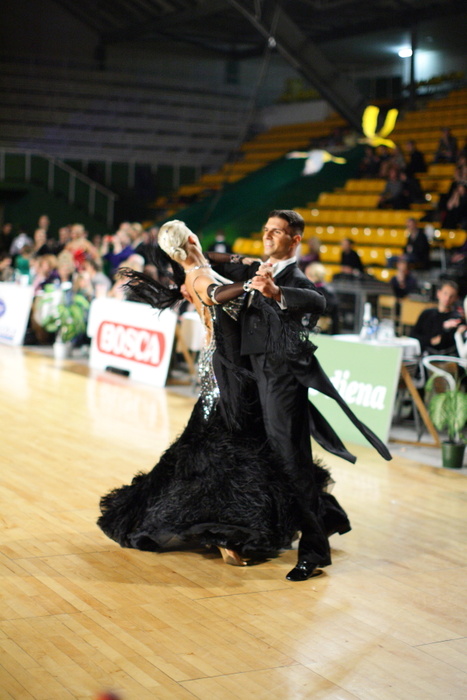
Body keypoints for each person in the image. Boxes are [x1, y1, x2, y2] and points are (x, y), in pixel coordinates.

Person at [98, 220, 314, 570]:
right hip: (225, 369)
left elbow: (211, 257)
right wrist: (250, 283)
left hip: (232, 364)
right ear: (192, 238)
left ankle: (237, 527)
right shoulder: (198, 277)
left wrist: (242, 260)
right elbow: (215, 293)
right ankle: (225, 532)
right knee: (227, 448)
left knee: (221, 443)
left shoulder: (200, 264)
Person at [208, 209, 391, 580]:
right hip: (253, 377)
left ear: (295, 240)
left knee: (293, 464)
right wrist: (236, 259)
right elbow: (212, 259)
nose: (268, 235)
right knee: (259, 458)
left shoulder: (296, 280)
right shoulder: (256, 269)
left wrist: (275, 292)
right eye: (265, 229)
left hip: (282, 381)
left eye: (276, 232)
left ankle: (315, 551)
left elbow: (317, 301)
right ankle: (277, 529)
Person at [410, 280, 462, 355]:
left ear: (456, 298)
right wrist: (430, 341)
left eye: (451, 296)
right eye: (445, 293)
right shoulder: (427, 314)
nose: (447, 298)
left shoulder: (456, 319)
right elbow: (413, 335)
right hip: (424, 354)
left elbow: (448, 343)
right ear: (438, 293)